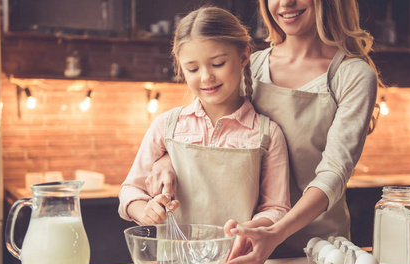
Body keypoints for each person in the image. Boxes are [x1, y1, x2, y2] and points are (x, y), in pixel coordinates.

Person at [145, 0, 381, 264]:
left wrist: (276, 232)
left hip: (320, 252)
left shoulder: (352, 75)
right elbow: (211, 130)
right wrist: (166, 159)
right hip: (244, 246)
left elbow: (334, 173)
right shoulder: (253, 65)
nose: (286, 3)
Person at [118, 7, 291, 239]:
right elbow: (130, 189)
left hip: (238, 263)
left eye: (218, 64)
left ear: (243, 56)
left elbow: (277, 208)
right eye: (192, 68)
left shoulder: (267, 133)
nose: (206, 77)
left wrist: (247, 229)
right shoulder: (165, 126)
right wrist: (145, 211)